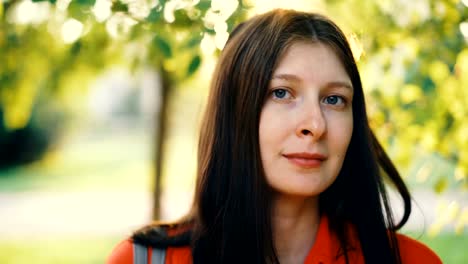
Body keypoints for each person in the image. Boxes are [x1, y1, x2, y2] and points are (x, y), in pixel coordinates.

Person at [107, 9, 442, 264]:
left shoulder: (413, 261)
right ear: (234, 112)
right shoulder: (142, 259)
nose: (316, 124)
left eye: (334, 99)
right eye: (282, 93)